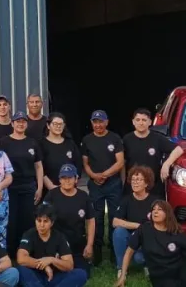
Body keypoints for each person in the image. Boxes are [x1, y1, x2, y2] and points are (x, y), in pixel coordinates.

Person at [115, 201, 186, 287]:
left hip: (181, 268)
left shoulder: (176, 232)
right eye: (153, 209)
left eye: (160, 209)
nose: (155, 212)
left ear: (167, 214)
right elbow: (129, 252)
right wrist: (123, 276)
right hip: (160, 275)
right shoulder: (144, 229)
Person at [81, 109, 125, 265]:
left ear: (107, 122)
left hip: (113, 184)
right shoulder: (87, 140)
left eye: (101, 121)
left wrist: (104, 175)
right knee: (96, 218)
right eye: (95, 121)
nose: (98, 124)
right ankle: (97, 255)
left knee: (114, 218)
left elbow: (120, 162)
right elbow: (85, 163)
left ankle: (115, 255)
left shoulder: (115, 138)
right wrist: (93, 176)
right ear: (92, 123)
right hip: (95, 185)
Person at [1, 110, 45, 258]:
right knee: (12, 220)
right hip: (10, 187)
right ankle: (11, 253)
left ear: (26, 124)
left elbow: (38, 166)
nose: (20, 124)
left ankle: (27, 250)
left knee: (27, 220)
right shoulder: (4, 142)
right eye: (17, 121)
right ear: (12, 123)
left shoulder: (32, 142)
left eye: (23, 121)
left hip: (28, 187)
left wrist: (39, 187)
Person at [16, 203, 88, 287]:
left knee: (80, 274)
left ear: (52, 223)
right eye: (39, 220)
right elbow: (21, 259)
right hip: (35, 276)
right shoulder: (29, 234)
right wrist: (44, 265)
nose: (41, 225)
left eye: (45, 221)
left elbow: (69, 265)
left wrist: (51, 260)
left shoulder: (59, 237)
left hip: (55, 277)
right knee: (21, 270)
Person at [42, 164, 94, 273]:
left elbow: (90, 221)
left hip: (77, 244)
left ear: (76, 179)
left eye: (70, 177)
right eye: (64, 178)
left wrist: (89, 245)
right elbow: (42, 219)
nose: (67, 181)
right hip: (57, 244)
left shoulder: (83, 196)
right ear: (59, 180)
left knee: (83, 272)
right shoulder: (51, 195)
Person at [111, 166, 160, 272]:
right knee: (118, 231)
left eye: (139, 180)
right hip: (130, 237)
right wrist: (137, 226)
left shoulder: (155, 201)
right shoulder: (126, 200)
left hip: (148, 238)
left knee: (139, 258)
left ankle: (148, 265)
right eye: (133, 180)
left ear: (147, 183)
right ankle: (121, 268)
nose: (135, 182)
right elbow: (115, 221)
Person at [121, 109, 174, 197]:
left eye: (144, 120)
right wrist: (123, 181)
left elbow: (178, 149)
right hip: (133, 185)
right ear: (133, 122)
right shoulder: (127, 139)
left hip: (154, 186)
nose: (141, 123)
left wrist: (167, 164)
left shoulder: (158, 138)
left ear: (150, 122)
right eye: (138, 120)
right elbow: (122, 162)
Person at [41, 113, 82, 193]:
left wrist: (72, 183)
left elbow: (78, 163)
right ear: (48, 125)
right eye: (55, 124)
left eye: (61, 124)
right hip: (49, 189)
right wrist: (51, 187)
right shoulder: (41, 144)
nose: (58, 126)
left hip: (69, 188)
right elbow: (40, 168)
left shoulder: (70, 143)